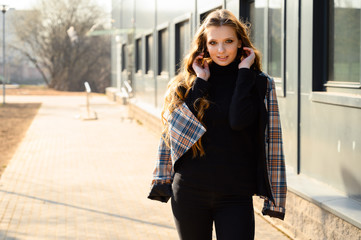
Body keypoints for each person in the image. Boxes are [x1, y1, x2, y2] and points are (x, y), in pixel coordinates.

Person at [148, 9, 287, 240]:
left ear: (241, 43)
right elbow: (177, 137)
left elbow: (241, 123)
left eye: (228, 41)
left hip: (236, 195)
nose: (221, 50)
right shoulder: (186, 84)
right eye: (213, 42)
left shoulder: (260, 84)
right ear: (204, 45)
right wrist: (200, 82)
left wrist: (243, 76)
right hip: (190, 193)